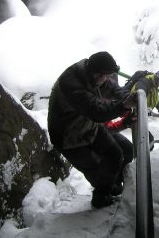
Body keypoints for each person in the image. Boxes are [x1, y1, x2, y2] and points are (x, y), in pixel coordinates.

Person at [47, 51, 133, 208]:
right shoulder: (71, 84)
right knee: (96, 169)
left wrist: (126, 96)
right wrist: (123, 106)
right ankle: (101, 199)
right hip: (69, 138)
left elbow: (111, 88)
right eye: (105, 76)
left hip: (87, 125)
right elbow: (96, 111)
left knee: (115, 154)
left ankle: (111, 187)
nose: (107, 79)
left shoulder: (92, 75)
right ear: (96, 74)